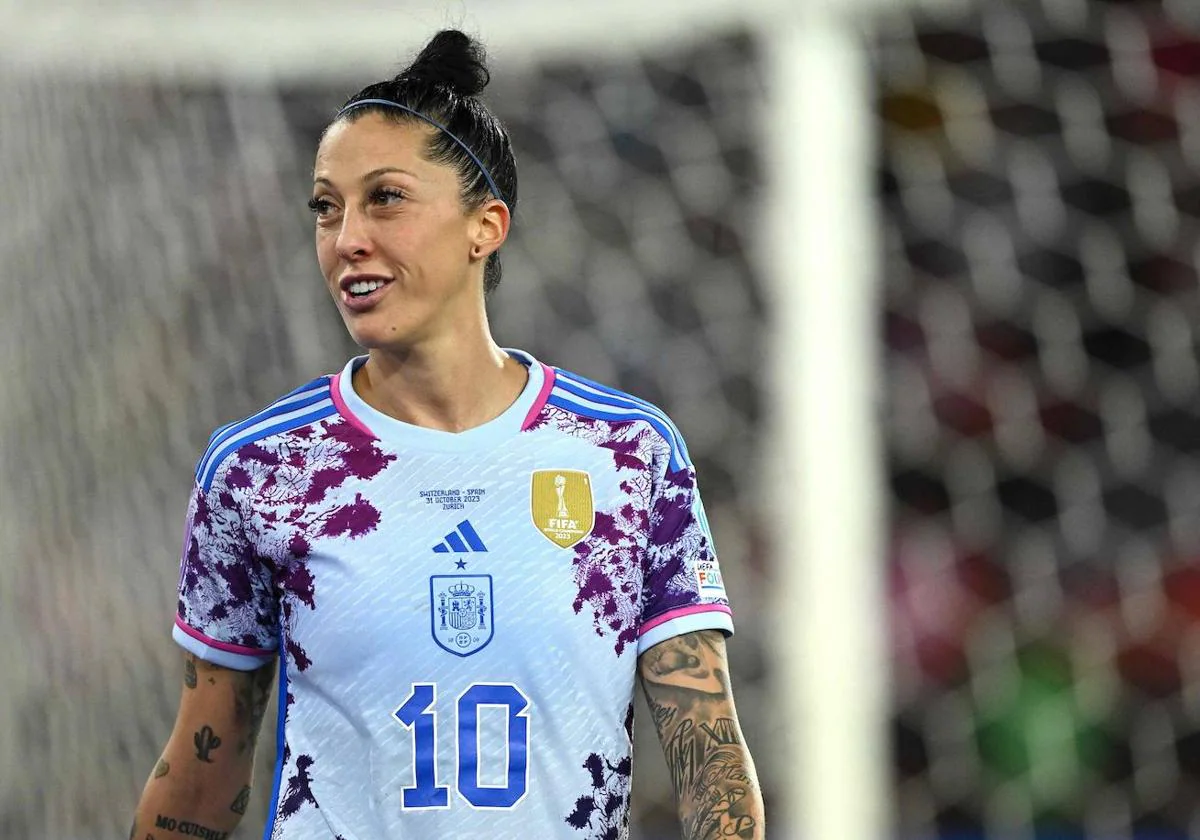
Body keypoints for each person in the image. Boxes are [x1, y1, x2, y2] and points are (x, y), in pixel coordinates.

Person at [131, 29, 763, 840]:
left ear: (485, 226)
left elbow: (710, 759)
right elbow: (200, 774)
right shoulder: (262, 470)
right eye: (327, 207)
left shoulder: (626, 454)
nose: (346, 236)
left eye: (385, 197)